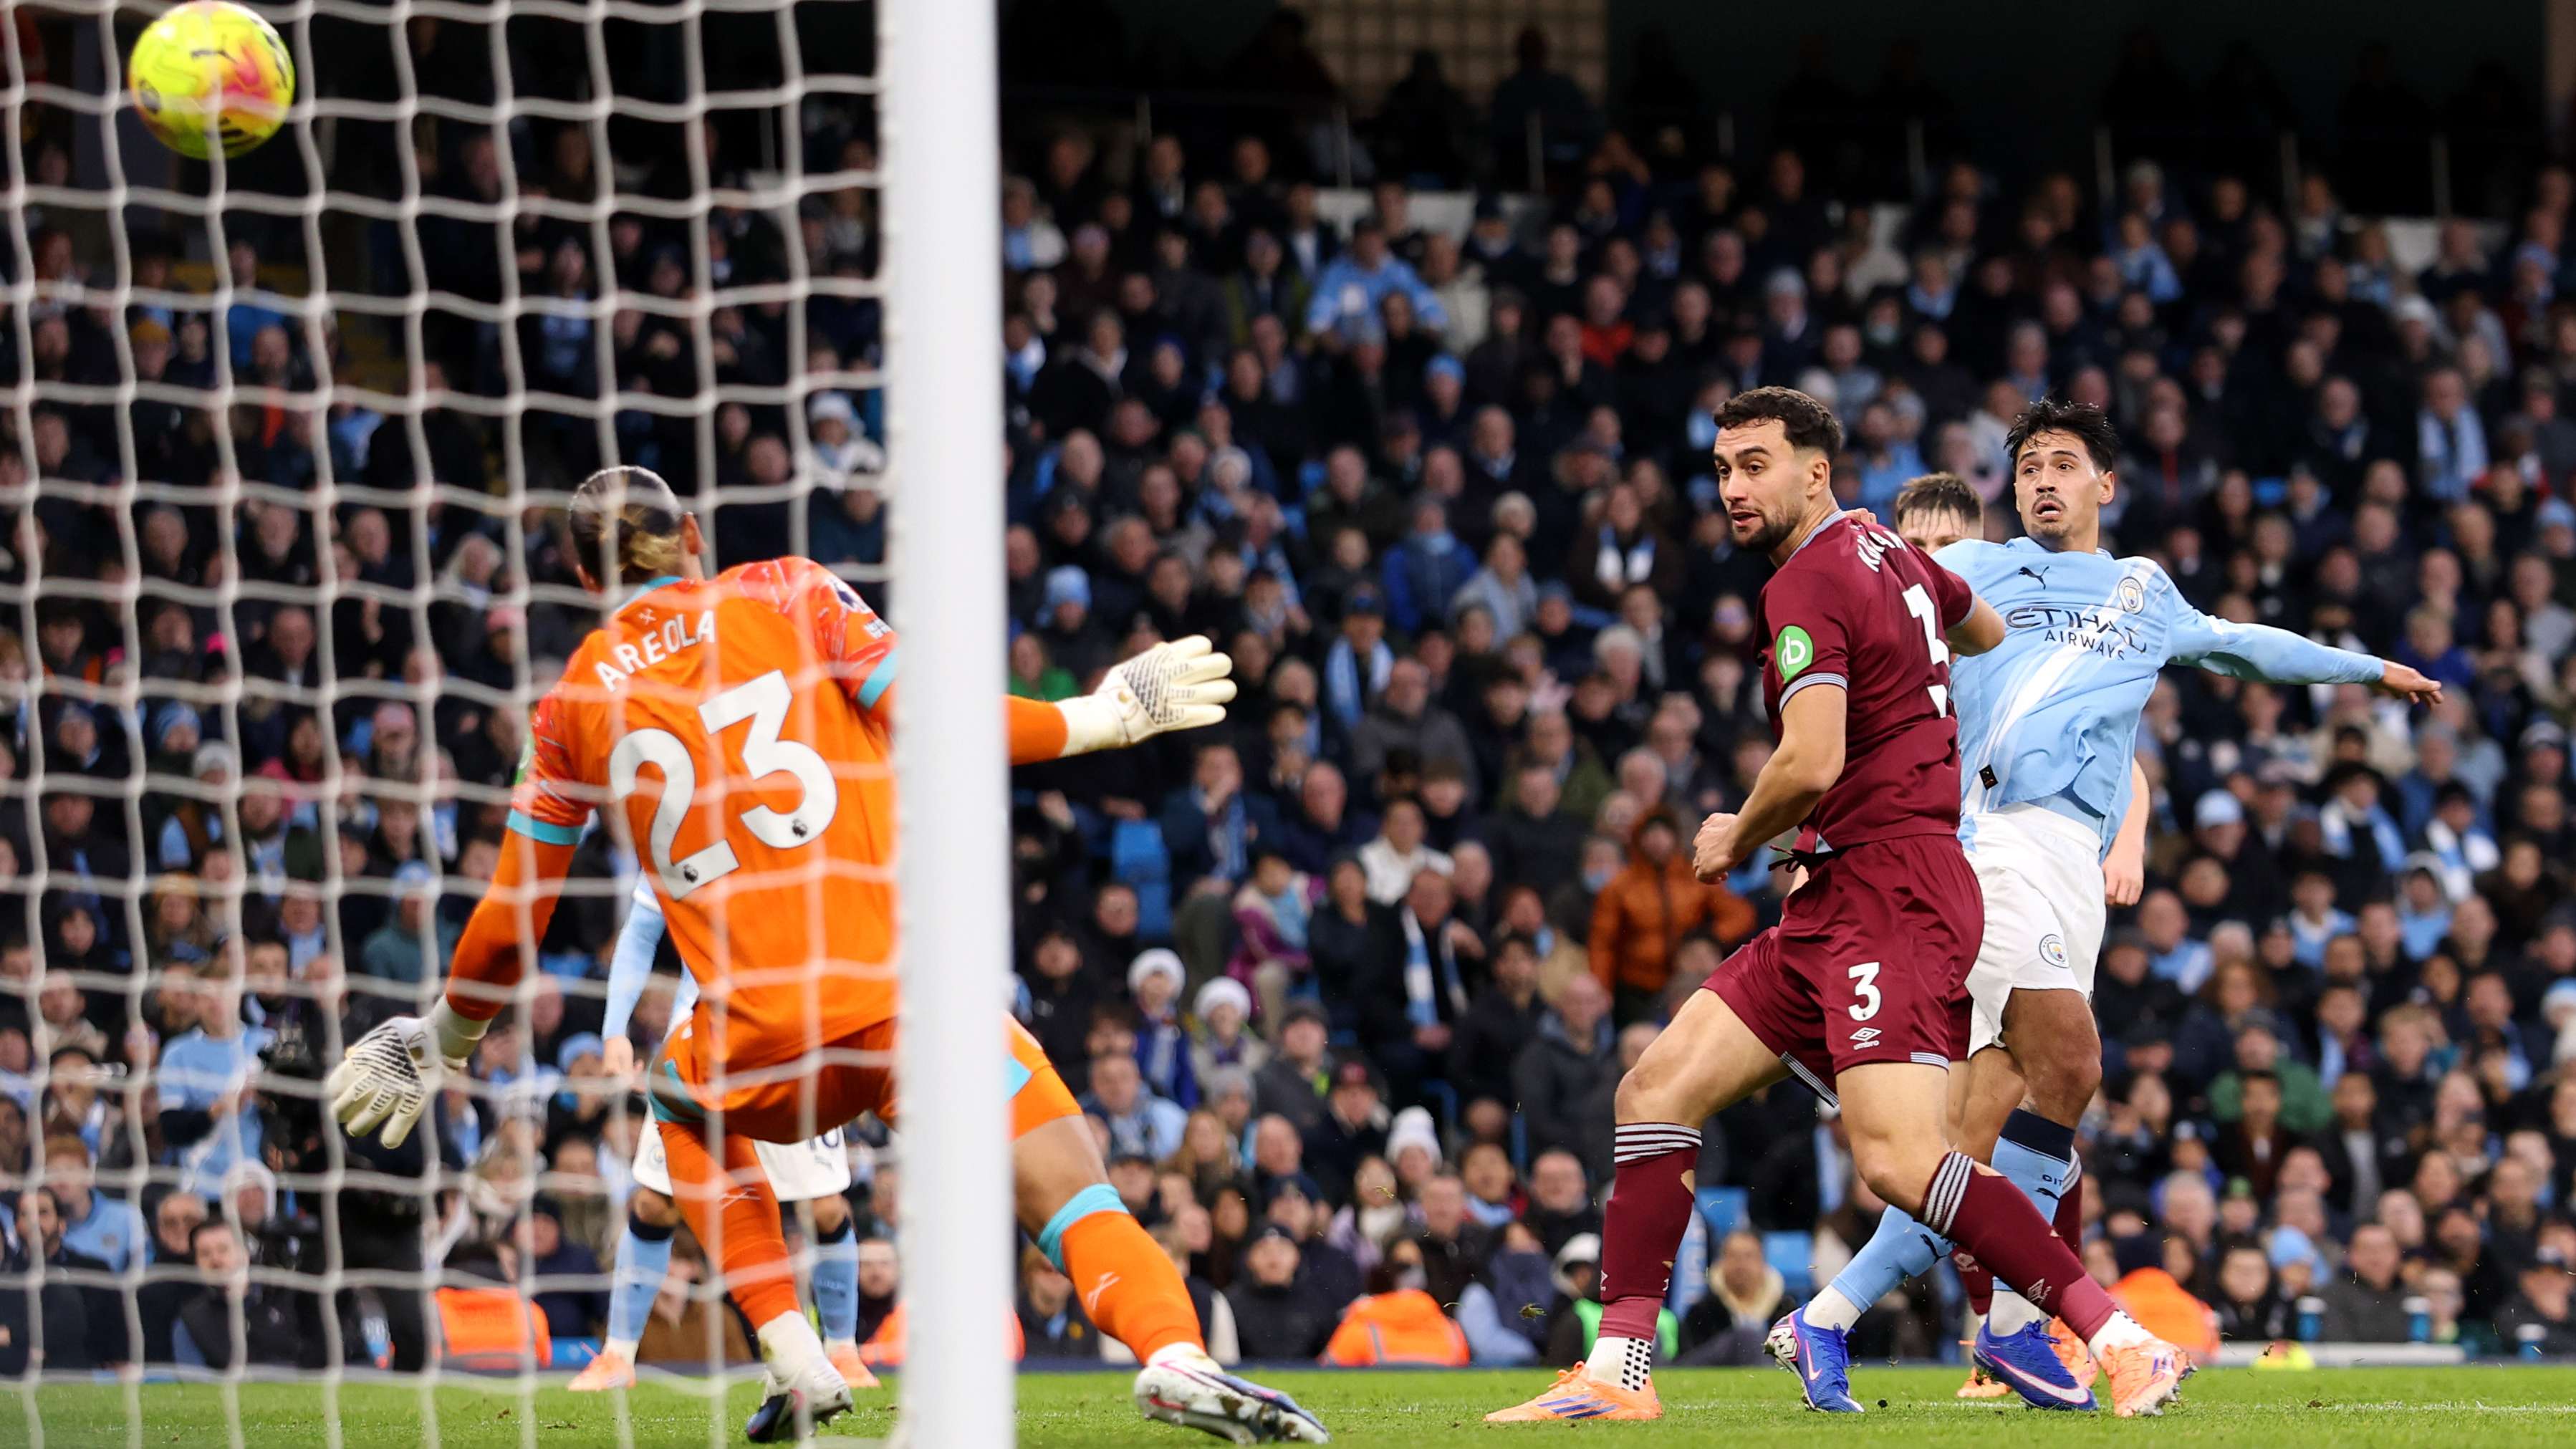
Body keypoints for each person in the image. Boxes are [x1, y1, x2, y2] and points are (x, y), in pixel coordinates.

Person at [329, 466, 1325, 1445]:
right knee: (1074, 1193)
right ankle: (1174, 1351)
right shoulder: (788, 589)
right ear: (692, 534)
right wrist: (1102, 715)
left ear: (585, 578)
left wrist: (441, 1037)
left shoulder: (568, 707)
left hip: (756, 1044)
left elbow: (515, 913)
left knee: (677, 1096)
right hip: (907, 1007)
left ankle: (789, 1343)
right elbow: (934, 717)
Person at [1487, 387, 2189, 1425]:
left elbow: (1810, 758)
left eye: (1755, 466)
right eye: (1723, 469)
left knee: (1904, 1160)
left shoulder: (1809, 578)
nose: (1734, 488)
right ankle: (1618, 1369)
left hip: (1889, 892)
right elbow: (1985, 626)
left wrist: (1736, 832)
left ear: (1815, 472)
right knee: (1654, 1088)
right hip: (1837, 894)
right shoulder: (1886, 548)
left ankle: (2120, 1340)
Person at [1811, 404, 2438, 1408]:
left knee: (1981, 1136)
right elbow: (1862, 600)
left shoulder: (2144, 591)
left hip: (2070, 866)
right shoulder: (1977, 567)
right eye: (2028, 466)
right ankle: (2024, 1330)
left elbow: (2246, 646)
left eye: (2063, 464)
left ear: (2105, 484)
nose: (2042, 480)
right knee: (2067, 1065)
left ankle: (1832, 1317)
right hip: (1988, 843)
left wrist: (2364, 669)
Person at [569, 880, 872, 1394]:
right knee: (654, 1204)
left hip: (793, 1043)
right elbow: (641, 932)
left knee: (824, 1207)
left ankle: (843, 1351)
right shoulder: (673, 837)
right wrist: (615, 1030)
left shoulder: (801, 840)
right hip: (697, 1048)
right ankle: (618, 1355)